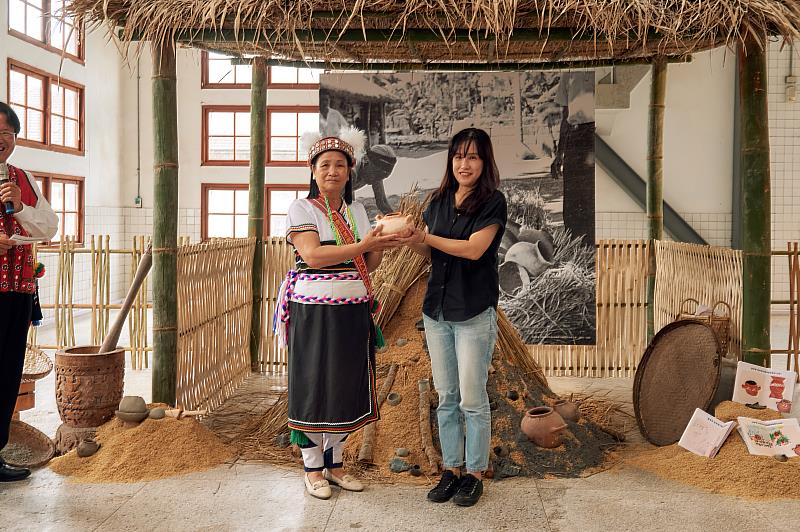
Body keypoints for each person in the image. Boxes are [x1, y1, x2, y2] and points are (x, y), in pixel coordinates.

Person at [274, 126, 399, 500]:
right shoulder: (301, 209)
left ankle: (336, 464)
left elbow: (367, 264)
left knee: (345, 384)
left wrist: (381, 244)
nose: (332, 171)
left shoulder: (357, 211)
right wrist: (363, 245)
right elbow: (313, 255)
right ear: (313, 171)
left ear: (350, 171)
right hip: (313, 312)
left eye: (340, 165)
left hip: (353, 310)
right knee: (314, 384)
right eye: (325, 164)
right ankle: (312, 469)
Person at [400, 128, 507, 507]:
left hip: (473, 311)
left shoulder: (493, 202)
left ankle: (474, 473)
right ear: (451, 160)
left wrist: (425, 238)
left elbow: (474, 250)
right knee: (446, 396)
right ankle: (452, 470)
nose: (465, 164)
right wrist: (411, 239)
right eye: (459, 156)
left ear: (484, 162)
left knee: (472, 398)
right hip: (438, 311)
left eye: (473, 157)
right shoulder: (439, 200)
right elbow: (432, 254)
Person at [0, 102, 58, 482]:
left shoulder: (23, 179)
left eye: (6, 133)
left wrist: (19, 206)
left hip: (18, 292)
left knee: (7, 374)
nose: (1, 140)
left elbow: (48, 227)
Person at [550, 72, 595, 246]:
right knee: (572, 194)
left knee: (591, 192)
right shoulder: (567, 74)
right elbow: (565, 116)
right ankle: (575, 245)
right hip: (574, 136)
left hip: (595, 134)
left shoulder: (601, 69)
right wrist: (559, 154)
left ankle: (592, 243)